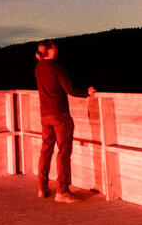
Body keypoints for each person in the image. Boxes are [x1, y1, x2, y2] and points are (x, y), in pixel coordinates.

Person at [34, 39, 96, 203]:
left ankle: (42, 187)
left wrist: (40, 58)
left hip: (45, 115)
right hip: (60, 115)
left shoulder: (38, 68)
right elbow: (70, 90)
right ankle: (62, 191)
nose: (56, 49)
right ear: (50, 51)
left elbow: (42, 64)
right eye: (54, 47)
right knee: (63, 152)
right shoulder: (57, 68)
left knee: (46, 150)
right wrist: (87, 93)